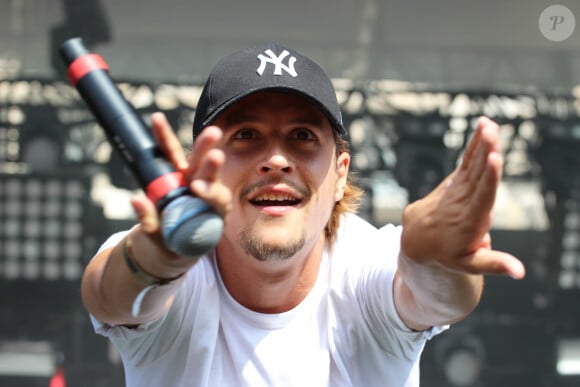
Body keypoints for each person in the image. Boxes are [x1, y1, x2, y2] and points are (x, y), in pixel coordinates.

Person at [81, 43, 526, 387]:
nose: (276, 158)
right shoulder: (175, 262)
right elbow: (109, 294)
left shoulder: (366, 261)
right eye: (247, 134)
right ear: (202, 162)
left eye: (302, 135)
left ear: (339, 175)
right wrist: (153, 264)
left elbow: (435, 297)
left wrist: (436, 264)